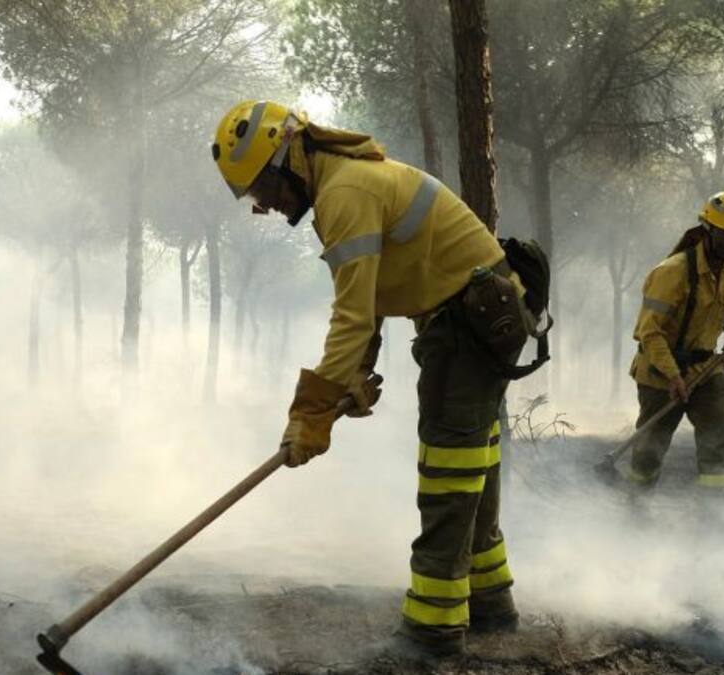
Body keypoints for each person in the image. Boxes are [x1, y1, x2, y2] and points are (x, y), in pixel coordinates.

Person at [210, 100, 544, 658]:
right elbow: (369, 296)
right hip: (473, 319)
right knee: (470, 465)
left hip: (467, 325)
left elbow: (352, 316)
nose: (265, 205)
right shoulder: (343, 187)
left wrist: (312, 412)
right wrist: (356, 373)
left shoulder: (345, 193)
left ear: (288, 158)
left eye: (263, 188)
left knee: (447, 473)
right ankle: (489, 600)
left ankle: (432, 630)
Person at [627, 189, 724, 491]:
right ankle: (635, 504)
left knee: (719, 443)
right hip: (660, 372)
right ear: (707, 229)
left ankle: (715, 510)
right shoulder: (672, 273)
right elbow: (650, 332)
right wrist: (673, 376)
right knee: (649, 450)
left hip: (707, 371)